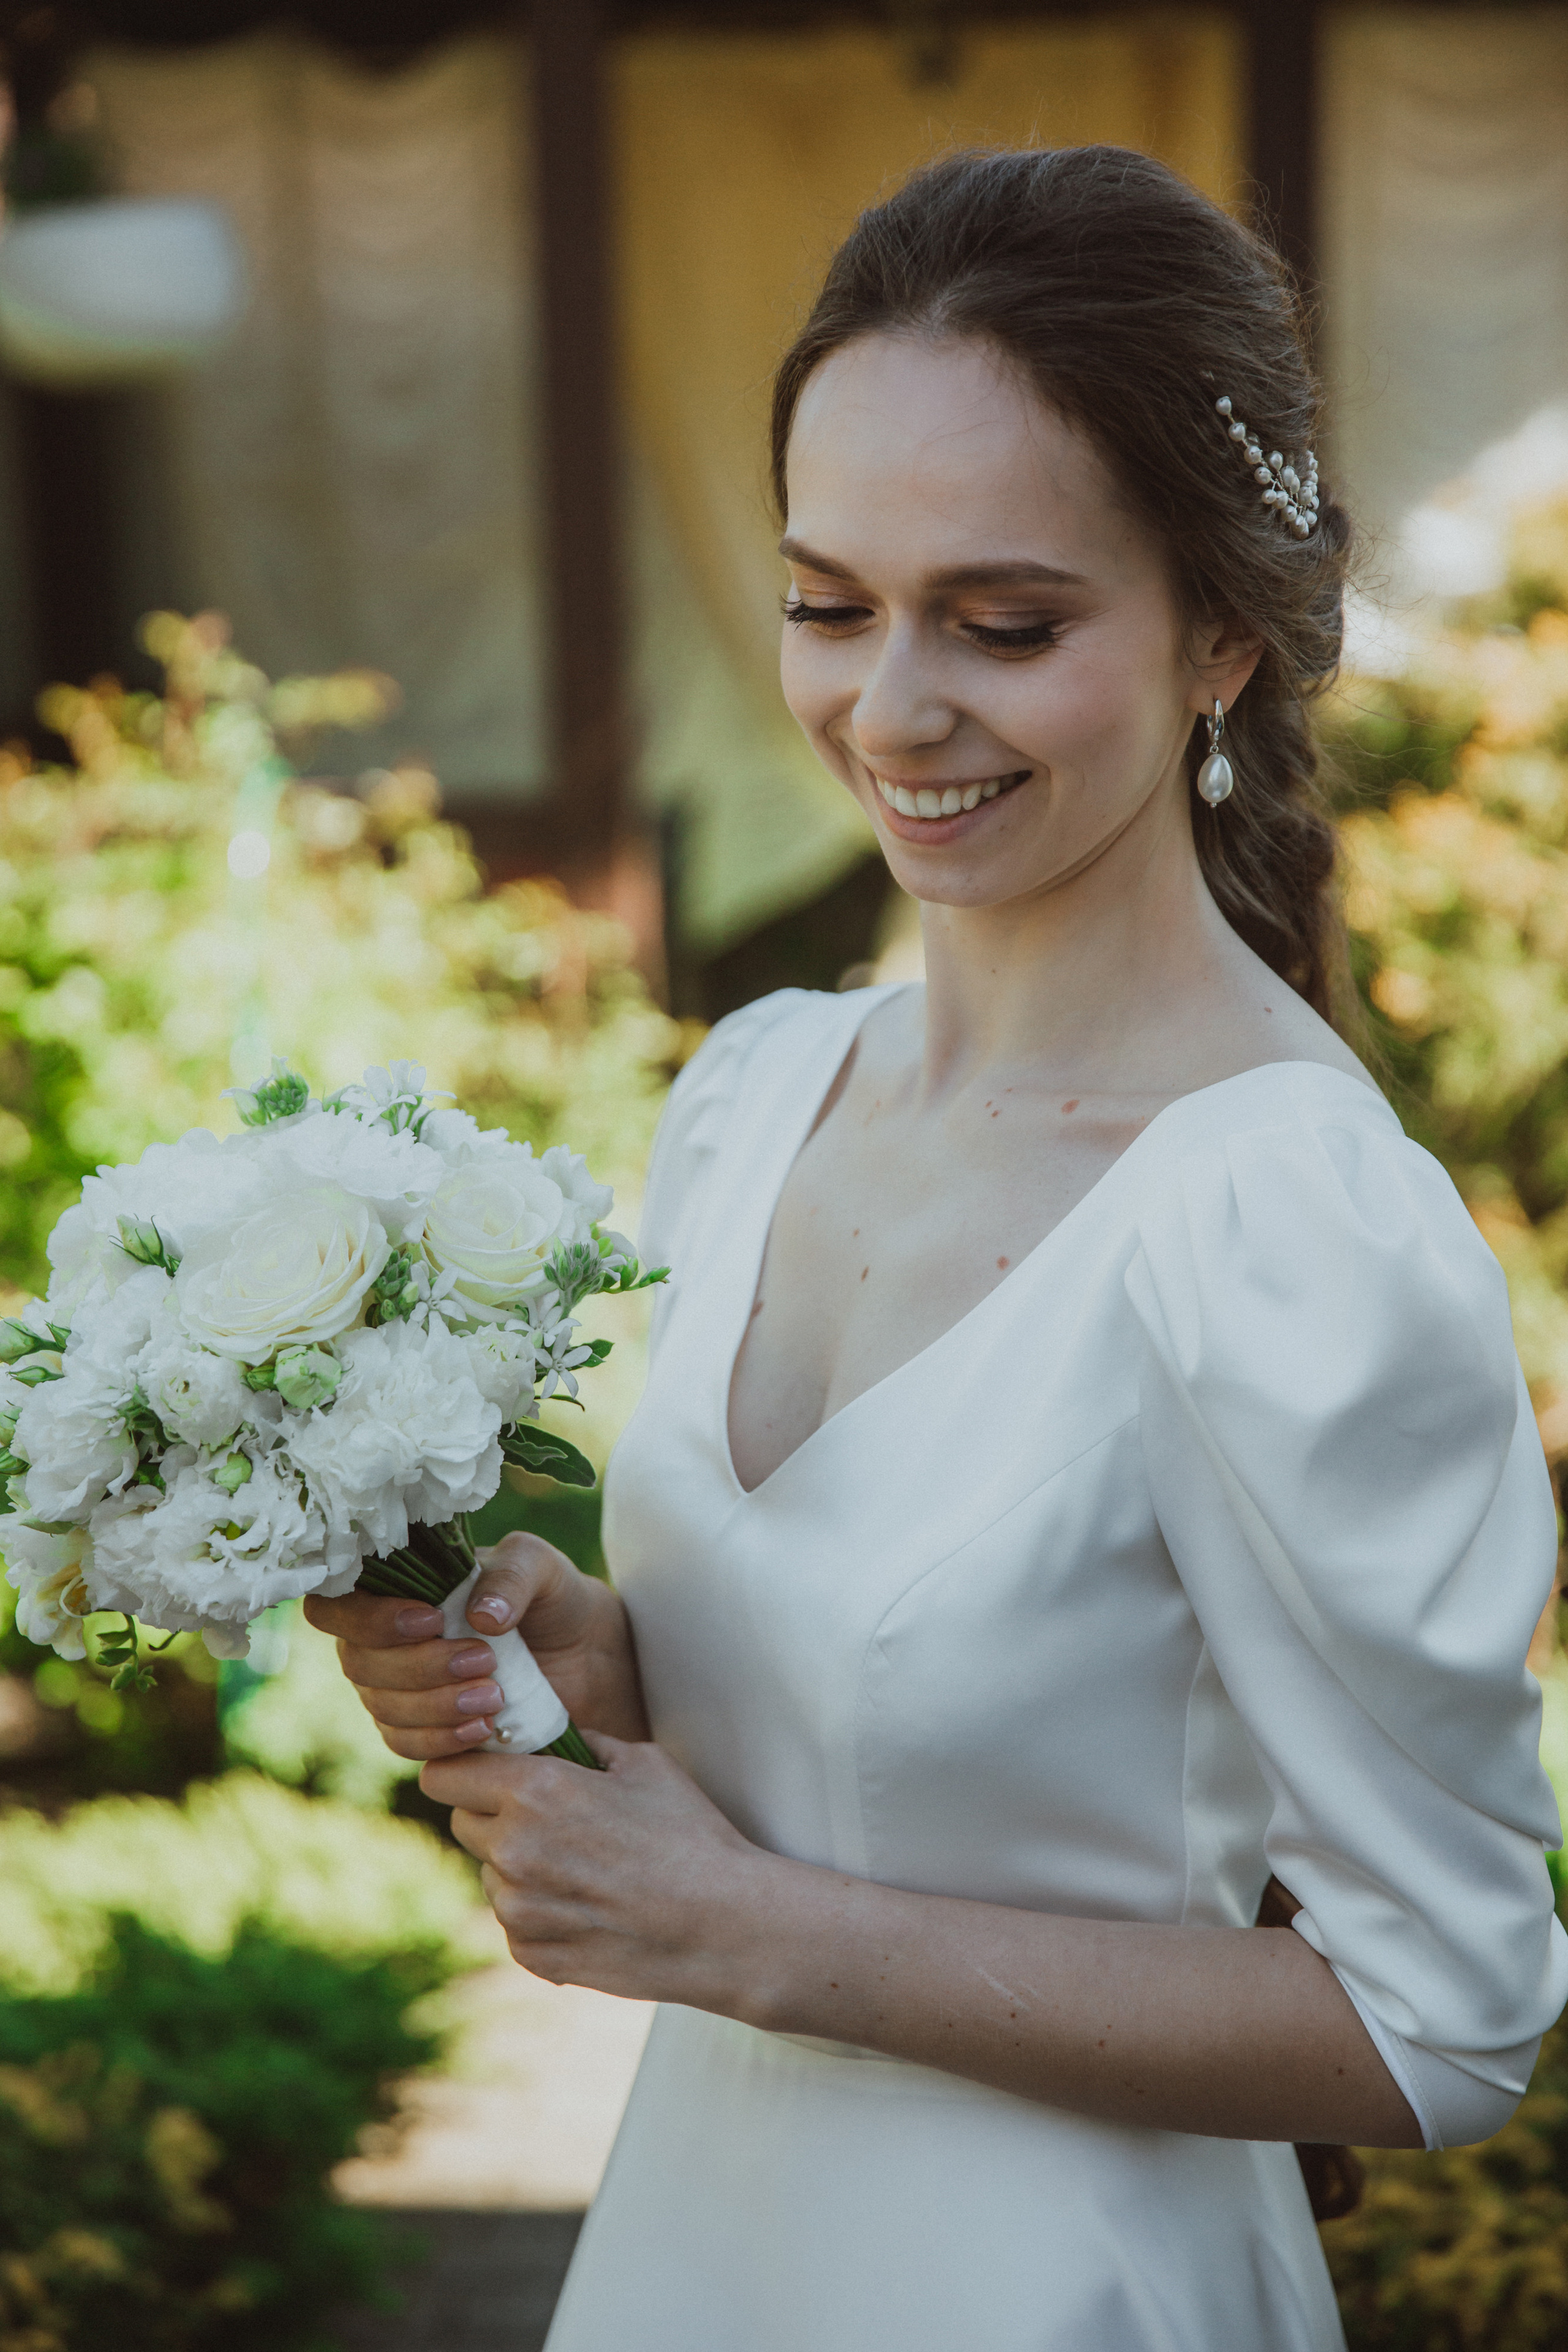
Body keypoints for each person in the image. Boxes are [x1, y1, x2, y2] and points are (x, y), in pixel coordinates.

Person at [306, 147, 1568, 2351]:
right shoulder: (756, 1093)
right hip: (699, 2250)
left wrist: (752, 1931)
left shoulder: (1279, 1218)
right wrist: (596, 1672)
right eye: (824, 602)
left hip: (1061, 2288)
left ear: (1223, 639)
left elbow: (1445, 2025)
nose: (892, 710)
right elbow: (875, 1712)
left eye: (1006, 625)